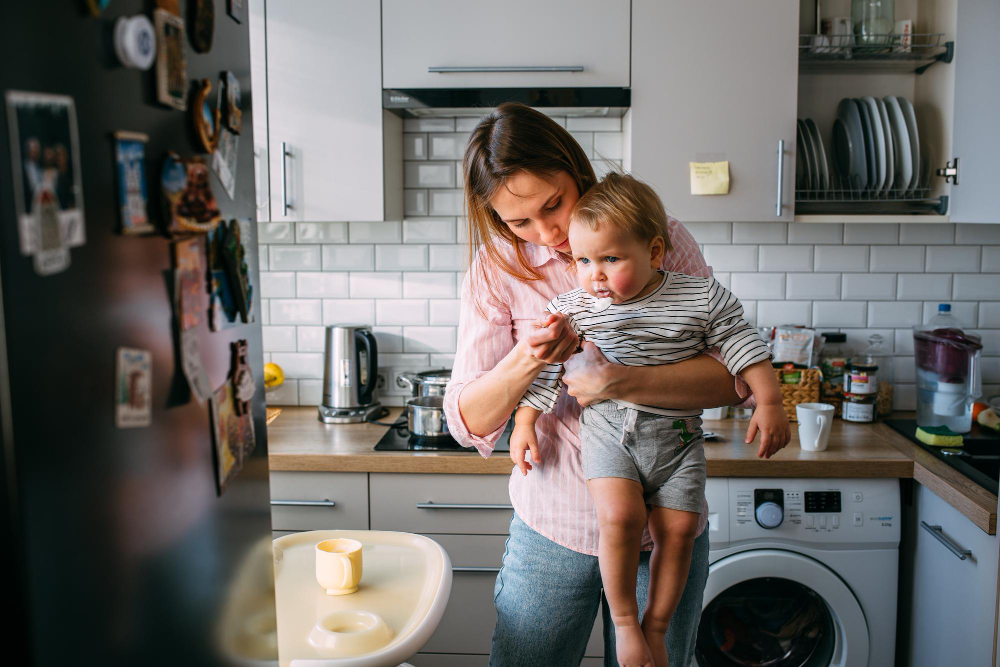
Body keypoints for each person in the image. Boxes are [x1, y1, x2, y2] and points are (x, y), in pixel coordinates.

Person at [443, 102, 790, 667]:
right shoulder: (496, 266)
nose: (548, 232)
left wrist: (614, 379)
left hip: (664, 527)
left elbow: (731, 380)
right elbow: (468, 422)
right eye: (519, 221)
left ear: (575, 169)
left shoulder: (656, 235)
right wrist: (531, 357)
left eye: (554, 204)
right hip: (555, 526)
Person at [511, 172, 788, 667]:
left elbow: (743, 346)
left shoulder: (701, 298)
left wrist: (768, 400)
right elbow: (547, 367)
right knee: (620, 517)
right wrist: (526, 421)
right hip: (608, 432)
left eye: (611, 259)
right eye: (582, 261)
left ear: (655, 252)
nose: (594, 274)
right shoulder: (574, 310)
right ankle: (624, 625)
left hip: (679, 437)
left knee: (679, 531)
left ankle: (654, 627)